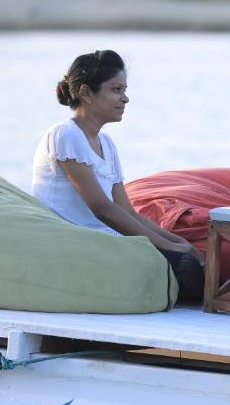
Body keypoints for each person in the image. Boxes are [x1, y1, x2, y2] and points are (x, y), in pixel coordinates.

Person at [31, 49, 204, 301]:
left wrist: (180, 243)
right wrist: (168, 247)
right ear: (86, 93)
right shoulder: (66, 134)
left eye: (124, 90)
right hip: (75, 245)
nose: (125, 98)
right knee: (187, 269)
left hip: (107, 243)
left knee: (197, 261)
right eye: (116, 90)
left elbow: (128, 212)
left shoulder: (107, 144)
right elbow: (101, 208)